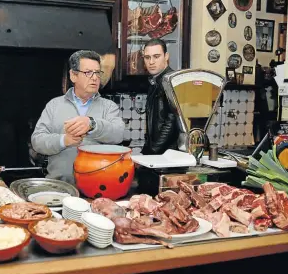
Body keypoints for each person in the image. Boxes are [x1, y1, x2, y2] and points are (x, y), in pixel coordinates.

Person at [31, 50, 125, 184]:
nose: (94, 78)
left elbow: (118, 134)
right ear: (73, 76)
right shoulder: (54, 105)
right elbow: (37, 141)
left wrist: (92, 125)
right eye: (88, 72)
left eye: (97, 72)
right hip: (60, 186)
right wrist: (65, 140)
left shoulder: (109, 107)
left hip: (98, 189)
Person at [141, 38, 178, 155]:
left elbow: (172, 122)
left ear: (166, 56)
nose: (151, 62)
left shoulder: (171, 81)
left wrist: (153, 151)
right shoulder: (155, 81)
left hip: (168, 155)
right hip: (162, 154)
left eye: (156, 56)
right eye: (147, 57)